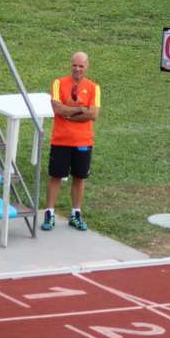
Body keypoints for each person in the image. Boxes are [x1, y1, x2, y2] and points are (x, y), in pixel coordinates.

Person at [41, 52, 101, 232]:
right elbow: (57, 108)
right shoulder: (58, 83)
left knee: (79, 177)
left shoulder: (93, 87)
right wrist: (80, 110)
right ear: (70, 65)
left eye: (81, 66)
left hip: (83, 140)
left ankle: (76, 214)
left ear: (87, 67)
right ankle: (49, 213)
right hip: (61, 140)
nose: (77, 69)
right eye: (75, 65)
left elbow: (93, 114)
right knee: (56, 176)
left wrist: (69, 114)